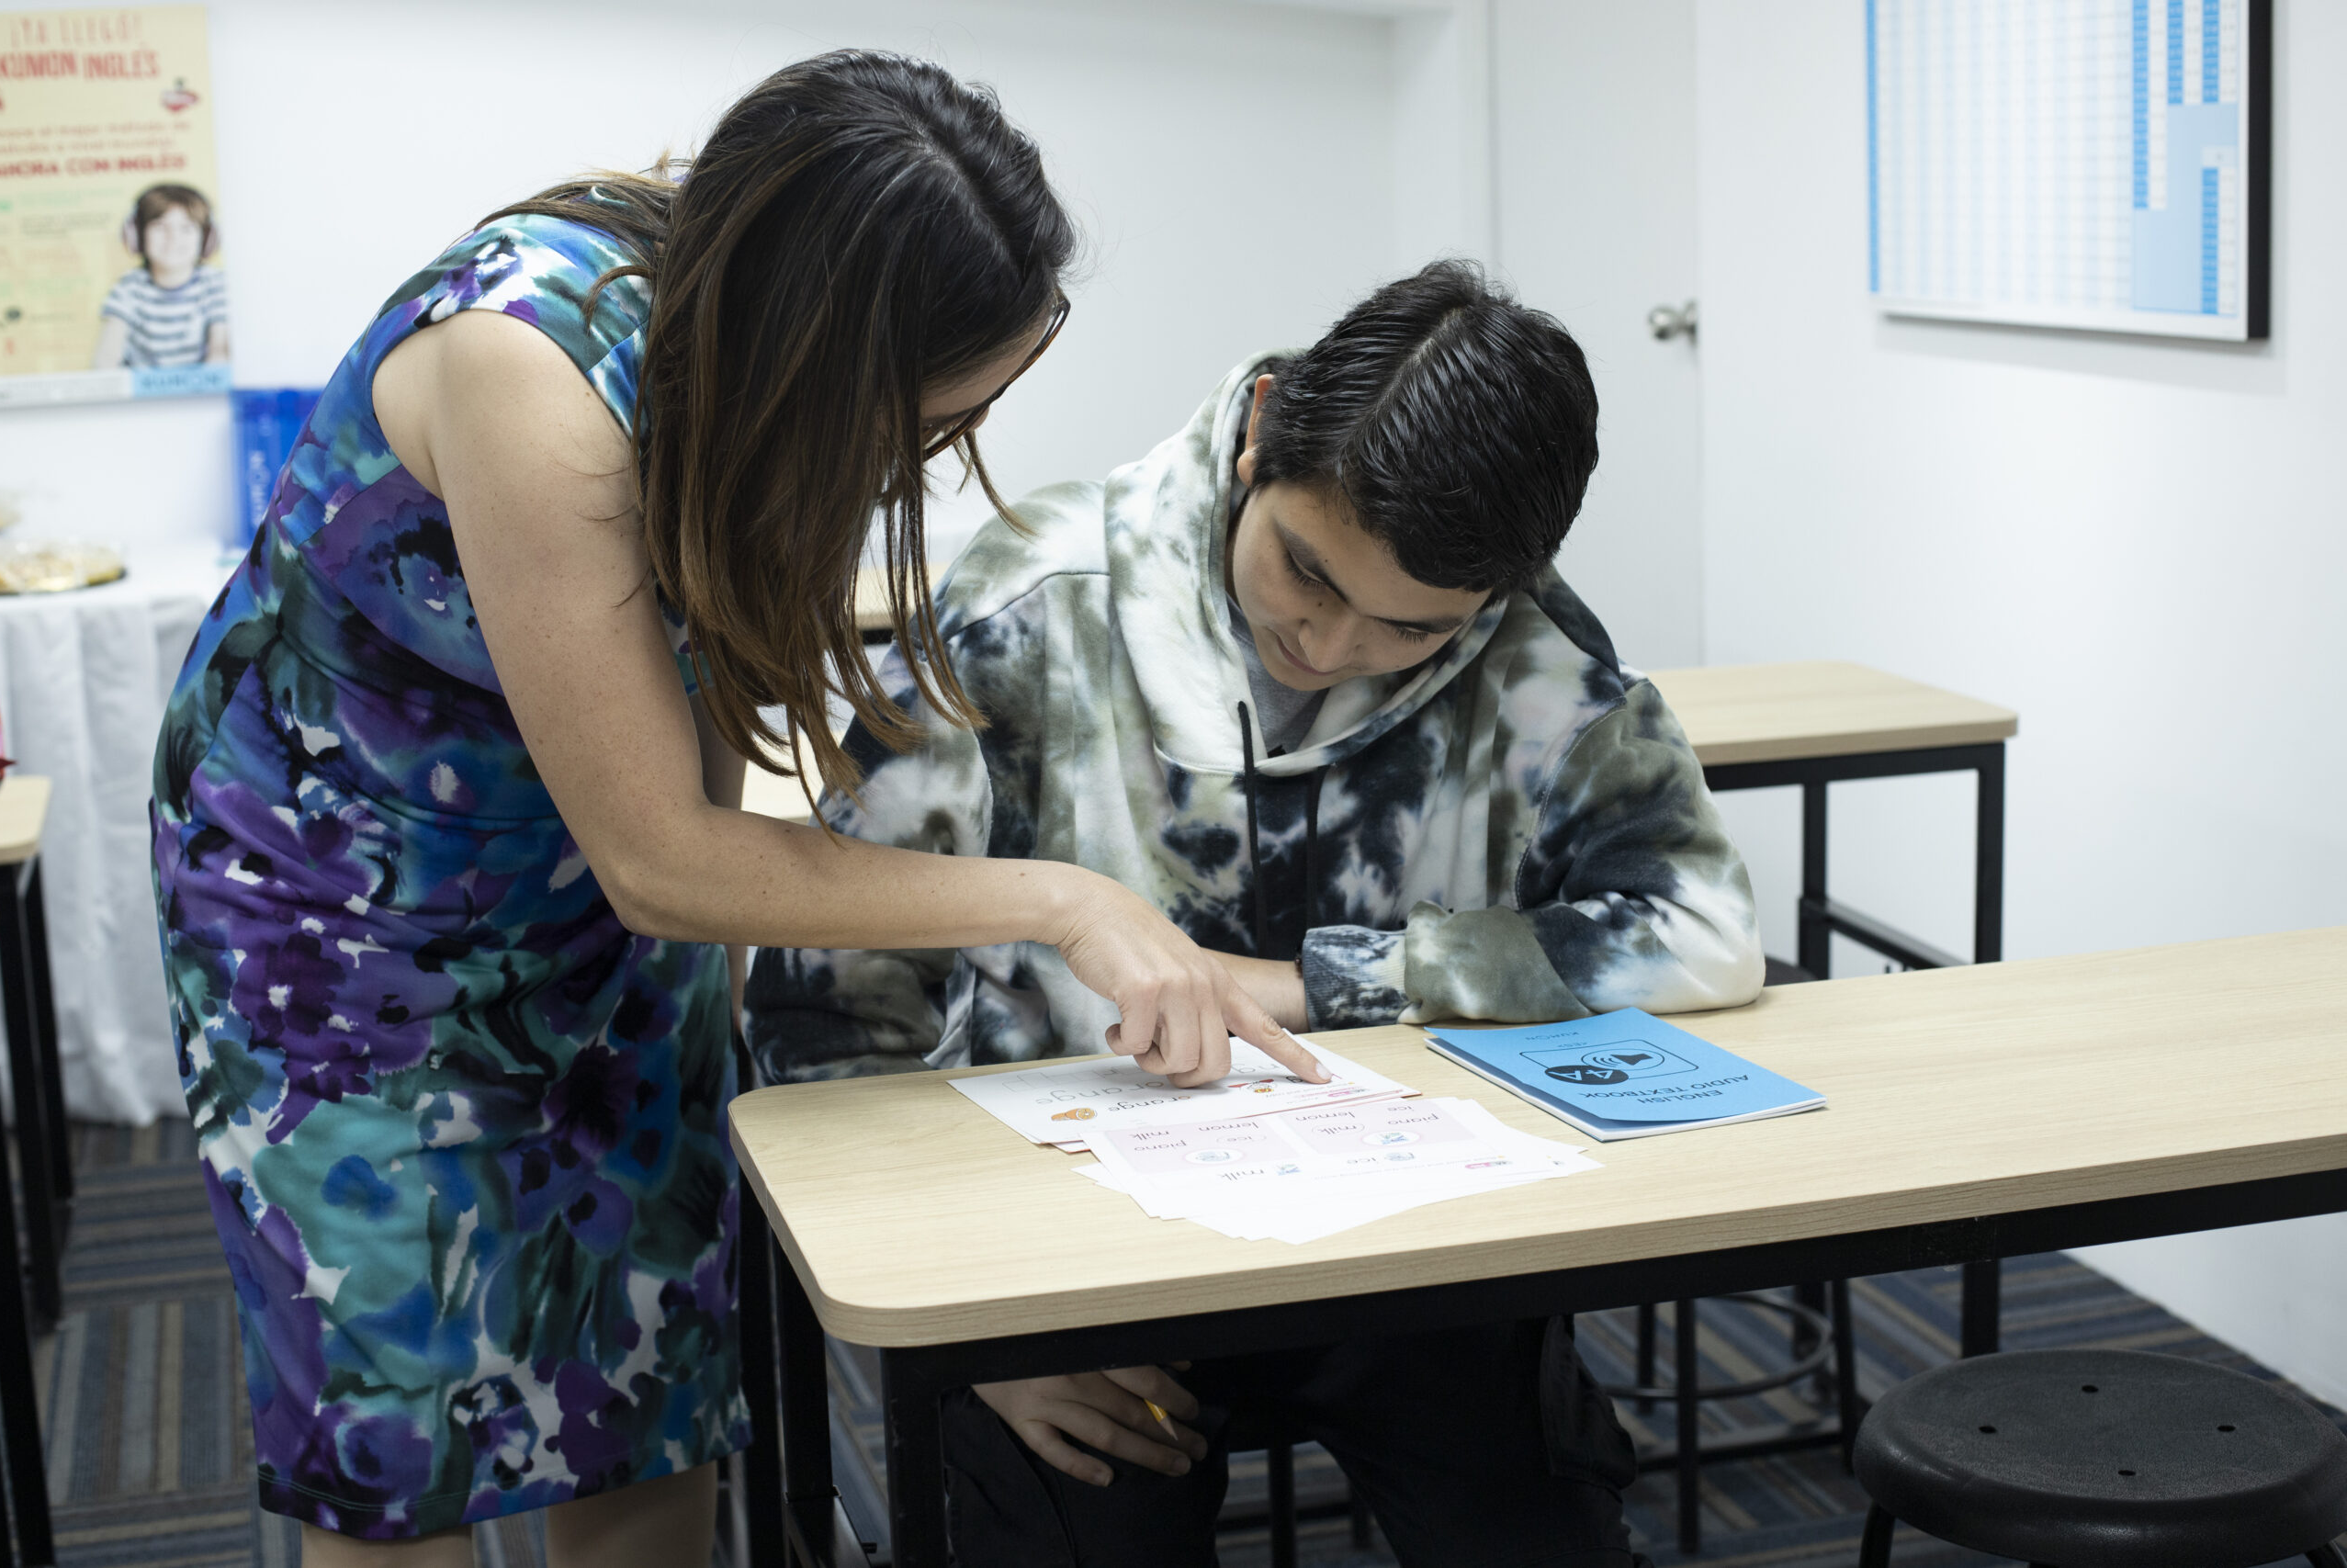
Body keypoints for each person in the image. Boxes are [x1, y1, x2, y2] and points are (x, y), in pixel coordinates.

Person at [151, 51, 1315, 1568]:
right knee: (403, 1447)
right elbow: (667, 861)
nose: (935, 454)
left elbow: (691, 805)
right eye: (935, 414)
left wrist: (739, 945)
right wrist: (1063, 897)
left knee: (641, 1389)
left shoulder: (755, 354)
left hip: (587, 885)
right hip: (337, 915)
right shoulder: (532, 371)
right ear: (830, 355)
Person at [745, 260, 1766, 1565]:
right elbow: (824, 994)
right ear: (1261, 432)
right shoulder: (1037, 600)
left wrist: (1324, 982)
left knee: (1528, 1525)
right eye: (1306, 571)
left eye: (1411, 629)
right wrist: (965, 1325)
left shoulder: (1532, 649)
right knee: (1080, 1521)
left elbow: (1701, 927)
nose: (1329, 648)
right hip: (1071, 1245)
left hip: (1414, 1235)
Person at [94, 182, 229, 368]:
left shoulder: (215, 284)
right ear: (137, 235)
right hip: (141, 386)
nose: (173, 238)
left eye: (186, 228)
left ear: (206, 239)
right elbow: (107, 355)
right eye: (159, 227)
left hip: (202, 386)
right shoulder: (129, 287)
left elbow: (219, 352)